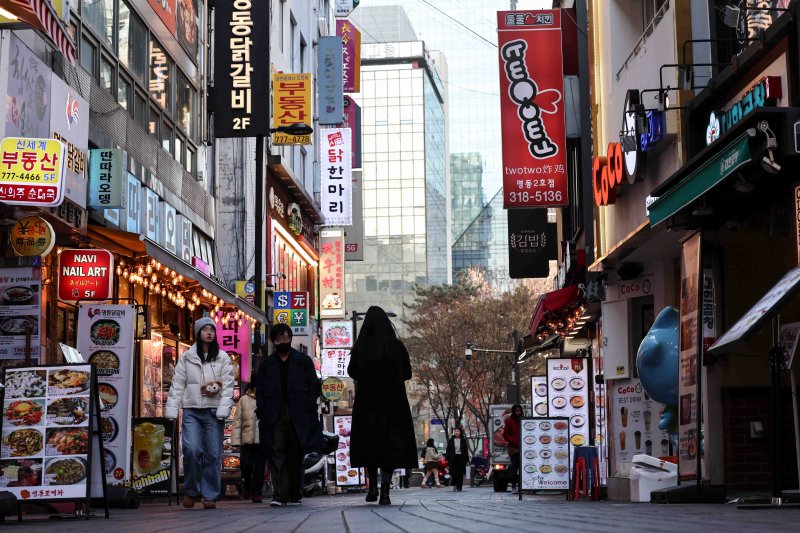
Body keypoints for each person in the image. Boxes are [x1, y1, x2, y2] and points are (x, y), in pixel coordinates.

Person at [347, 306, 418, 505]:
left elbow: (352, 372)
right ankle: (386, 490)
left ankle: (372, 488)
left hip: (367, 404)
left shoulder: (361, 348)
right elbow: (407, 374)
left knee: (370, 446)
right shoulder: (396, 346)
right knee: (390, 447)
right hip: (393, 404)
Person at [166, 317, 235, 509]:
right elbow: (177, 384)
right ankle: (191, 491)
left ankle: (210, 495)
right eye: (204, 329)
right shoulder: (187, 356)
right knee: (191, 450)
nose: (209, 333)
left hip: (214, 412)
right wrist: (171, 409)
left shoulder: (222, 357)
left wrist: (224, 407)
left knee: (213, 454)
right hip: (191, 411)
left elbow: (229, 385)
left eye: (211, 329)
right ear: (198, 333)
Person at [256, 324, 322, 507]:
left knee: (296, 452)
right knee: (276, 452)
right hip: (273, 412)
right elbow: (259, 389)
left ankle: (295, 492)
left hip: (298, 411)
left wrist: (309, 404)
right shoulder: (267, 364)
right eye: (279, 339)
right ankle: (279, 494)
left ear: (291, 339)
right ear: (273, 341)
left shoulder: (302, 360)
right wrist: (261, 408)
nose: (283, 342)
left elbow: (313, 384)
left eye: (286, 338)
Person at [231, 382, 265, 503]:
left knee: (259, 468)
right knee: (246, 466)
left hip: (262, 440)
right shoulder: (243, 400)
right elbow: (237, 421)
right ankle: (248, 486)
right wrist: (235, 440)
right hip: (247, 440)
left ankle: (257, 493)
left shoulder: (266, 398)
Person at [502, 404, 523, 494]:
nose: (519, 412)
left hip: (524, 447)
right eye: (517, 411)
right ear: (514, 411)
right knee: (514, 467)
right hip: (514, 448)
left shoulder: (523, 420)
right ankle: (514, 486)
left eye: (520, 410)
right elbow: (505, 434)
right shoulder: (509, 421)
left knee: (523, 468)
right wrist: (513, 441)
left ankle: (522, 485)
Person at [446, 427, 468, 491]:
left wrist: (466, 459)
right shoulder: (451, 440)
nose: (456, 432)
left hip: (461, 458)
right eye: (455, 431)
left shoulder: (463, 440)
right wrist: (447, 459)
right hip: (453, 458)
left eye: (457, 431)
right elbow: (448, 450)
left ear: (460, 432)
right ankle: (455, 484)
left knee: (460, 473)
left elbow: (465, 450)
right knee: (453, 472)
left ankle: (459, 487)